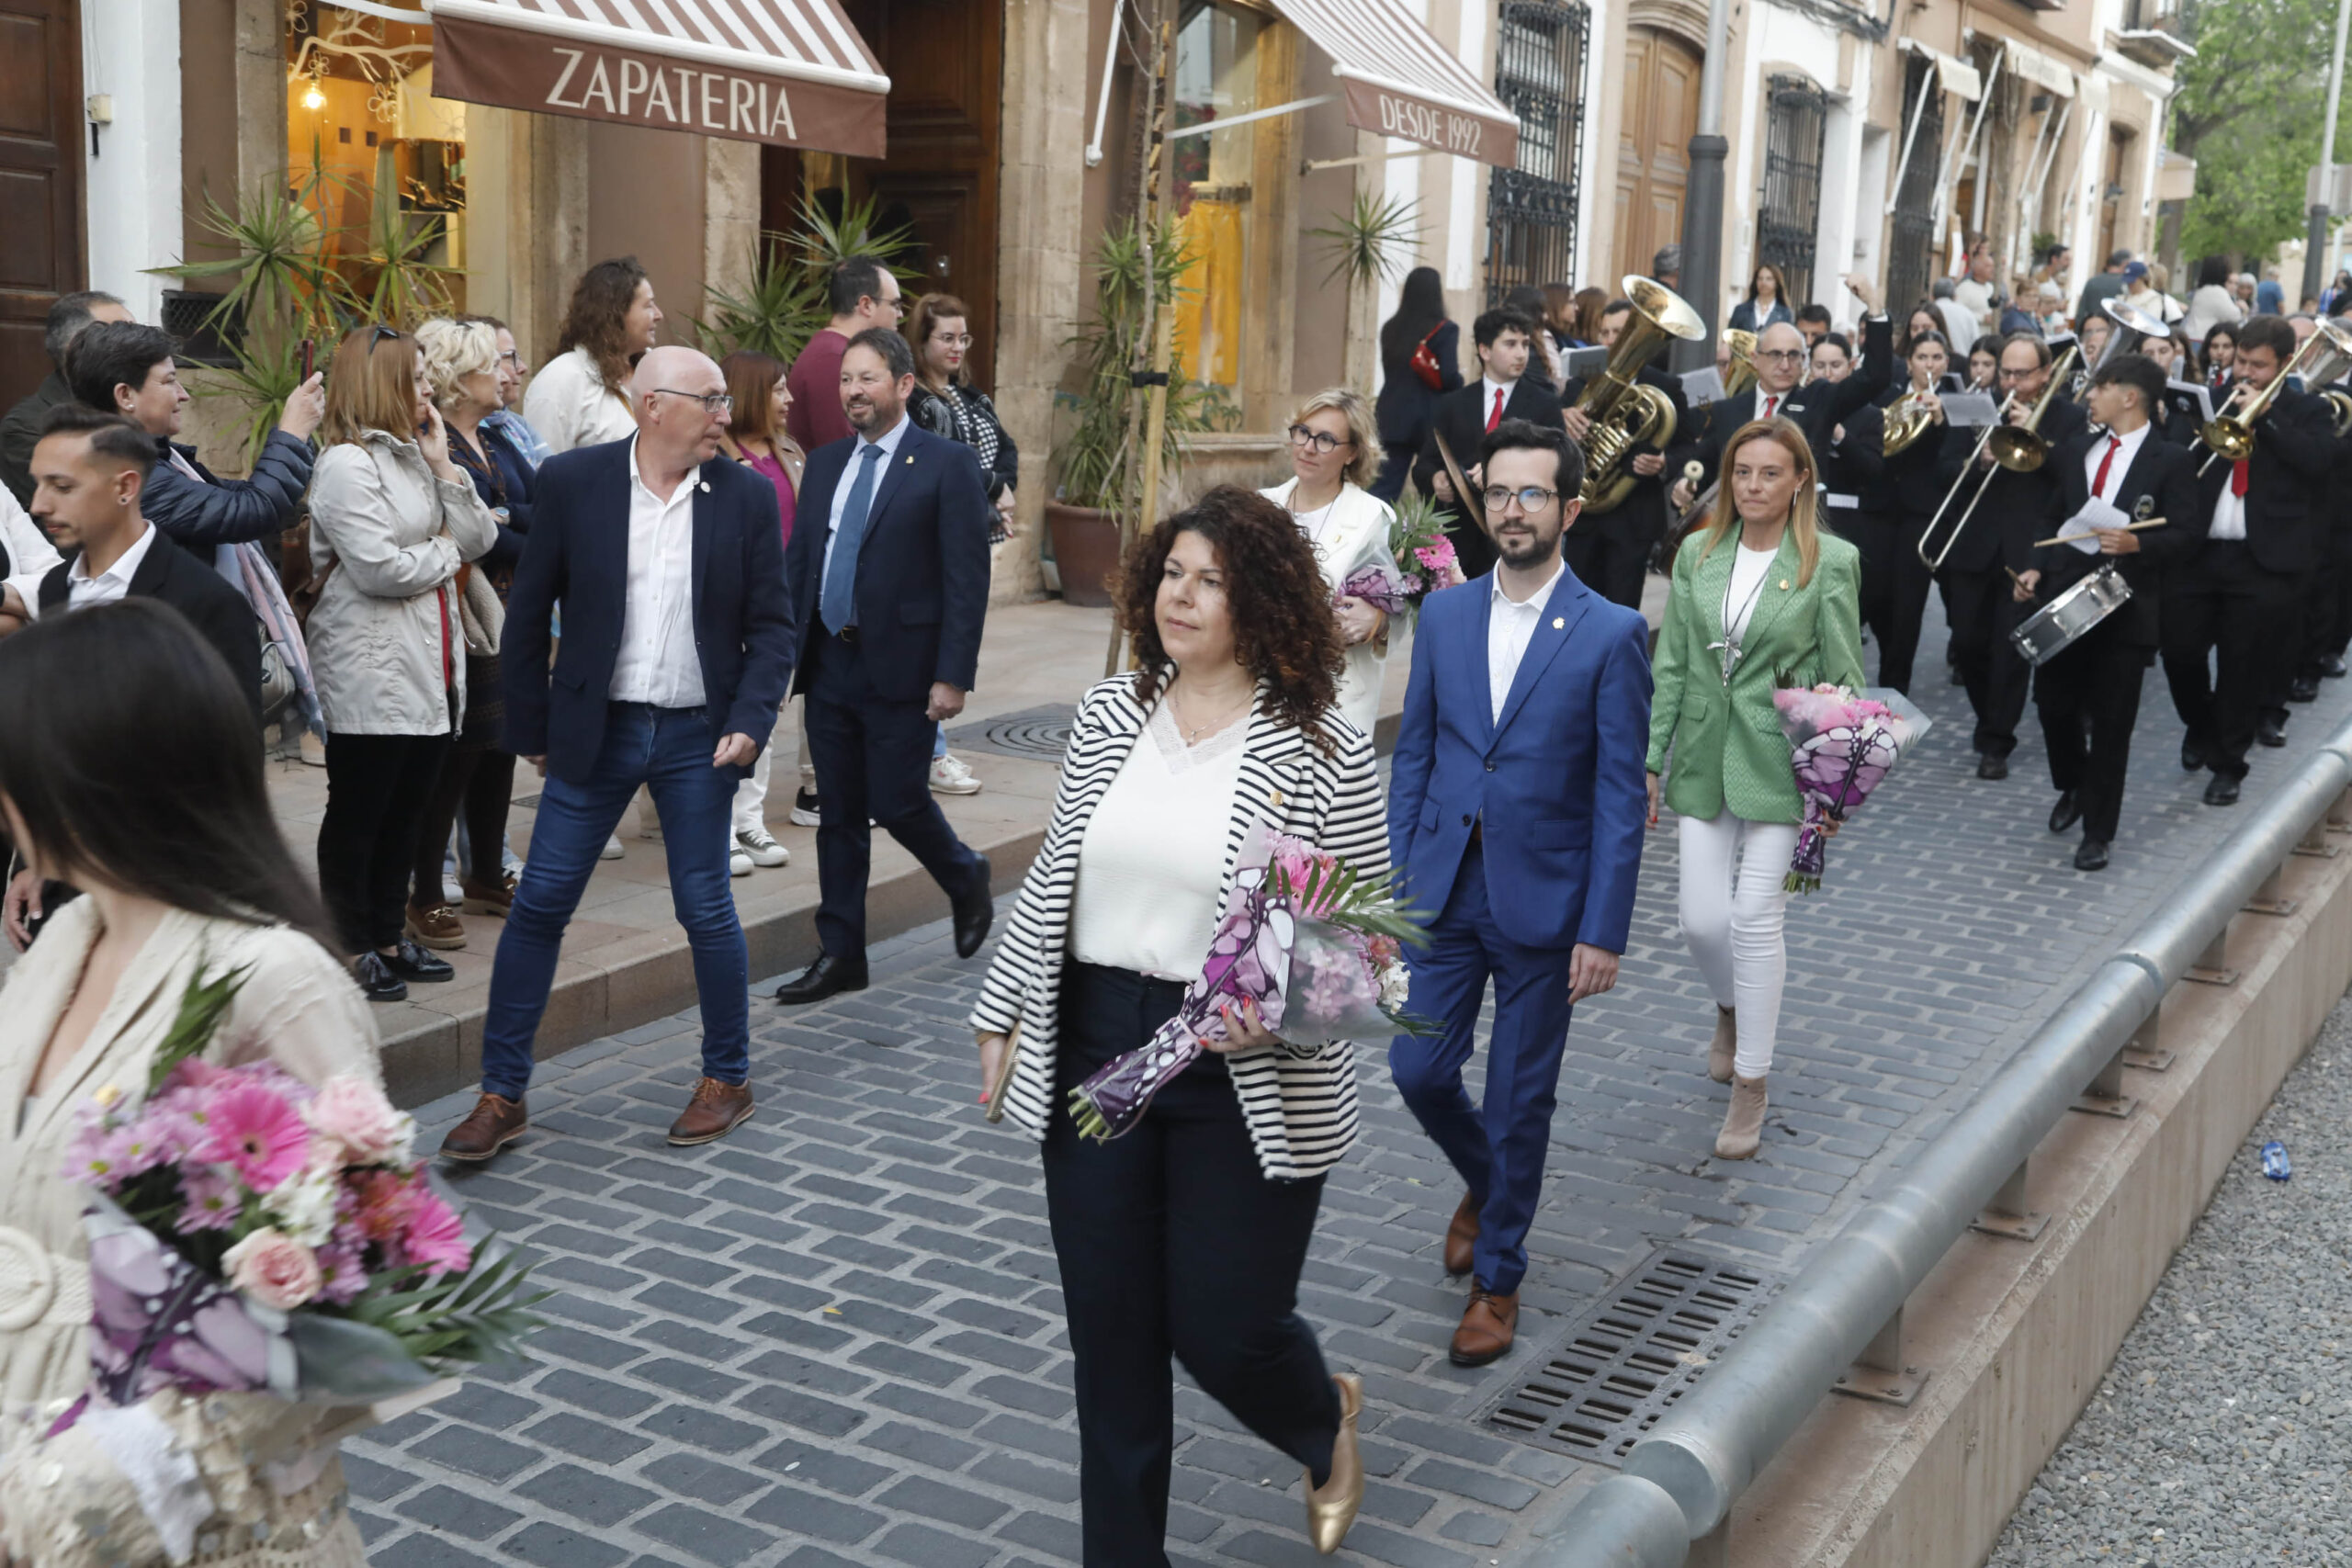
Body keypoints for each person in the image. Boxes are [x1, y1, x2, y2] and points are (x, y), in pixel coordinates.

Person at [968, 488, 1379, 1564]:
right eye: (1171, 574)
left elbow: (1366, 953)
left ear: (1265, 602)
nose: (1181, 599)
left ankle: (1315, 1417)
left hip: (1237, 1068)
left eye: (1211, 581)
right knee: (1111, 1339)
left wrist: (1274, 1009)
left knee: (1225, 1325)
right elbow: (1059, 874)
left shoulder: (1320, 745)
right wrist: (1005, 1008)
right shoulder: (1113, 712)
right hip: (1102, 1043)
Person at [0, 599, 384, 1566]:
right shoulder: (63, 941)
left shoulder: (274, 981)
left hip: (174, 1520)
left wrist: (70, 1493)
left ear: (81, 773)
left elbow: (347, 1299)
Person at [439, 345, 794, 1160]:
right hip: (595, 733)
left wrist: (752, 718)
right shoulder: (575, 483)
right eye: (709, 401)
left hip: (699, 738)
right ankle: (502, 1094)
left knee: (705, 906)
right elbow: (529, 615)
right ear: (653, 405)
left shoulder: (741, 495)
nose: (724, 417)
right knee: (539, 906)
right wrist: (530, 732)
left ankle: (727, 1078)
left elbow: (774, 626)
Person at [1387, 417, 1646, 1362]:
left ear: (1569, 508)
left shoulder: (1613, 633)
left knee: (1517, 1097)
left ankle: (1498, 1281)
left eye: (1531, 493)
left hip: (1545, 903)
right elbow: (1414, 752)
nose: (1511, 509)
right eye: (1498, 492)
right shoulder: (1447, 613)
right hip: (1445, 890)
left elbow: (1619, 794)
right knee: (1415, 1069)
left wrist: (1603, 929)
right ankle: (1488, 1184)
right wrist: (1399, 876)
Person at [1647, 416, 1862, 1158]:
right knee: (1699, 922)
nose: (1753, 486)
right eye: (1742, 473)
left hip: (1781, 762)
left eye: (1770, 473)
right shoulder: (1698, 554)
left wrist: (1835, 784)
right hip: (1704, 754)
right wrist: (1652, 757)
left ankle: (1752, 1083)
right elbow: (1673, 660)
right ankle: (1733, 1006)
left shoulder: (1828, 560)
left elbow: (1848, 679)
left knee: (1752, 918)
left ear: (1800, 479)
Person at [772, 328, 995, 1007]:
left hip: (903, 665)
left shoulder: (946, 464)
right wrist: (777, 649)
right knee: (838, 811)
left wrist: (952, 673)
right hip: (832, 660)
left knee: (897, 800)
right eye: (846, 379)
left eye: (867, 378)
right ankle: (842, 952)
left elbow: (967, 576)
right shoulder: (828, 463)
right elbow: (803, 562)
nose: (853, 391)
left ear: (902, 385)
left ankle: (965, 876)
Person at [304, 327, 500, 1003]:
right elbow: (381, 568)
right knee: (362, 811)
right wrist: (446, 554)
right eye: (416, 378)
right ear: (382, 382)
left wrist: (446, 468)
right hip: (370, 668)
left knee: (408, 812)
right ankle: (347, 943)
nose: (428, 391)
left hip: (428, 663)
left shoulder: (415, 453)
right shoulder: (347, 464)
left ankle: (388, 934)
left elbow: (484, 535)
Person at [69, 321, 325, 735]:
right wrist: (291, 432)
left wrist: (295, 439)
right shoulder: (131, 473)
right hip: (175, 678)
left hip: (198, 662)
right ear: (125, 396)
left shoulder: (164, 462)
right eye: (170, 381)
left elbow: (249, 500)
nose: (183, 394)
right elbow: (250, 511)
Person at [2009, 354, 2197, 871]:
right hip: (2067, 598)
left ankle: (2098, 831)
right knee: (2053, 706)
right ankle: (2073, 781)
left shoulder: (2172, 459)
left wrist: (2139, 546)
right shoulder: (2078, 449)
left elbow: (2187, 534)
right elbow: (2054, 516)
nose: (2089, 397)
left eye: (2099, 388)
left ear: (2129, 396)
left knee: (2113, 724)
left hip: (2128, 610)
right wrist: (2034, 569)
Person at [2161, 314, 2337, 804]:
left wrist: (2266, 420)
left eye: (2258, 366)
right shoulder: (2211, 402)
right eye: (2242, 361)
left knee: (2242, 667)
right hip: (2199, 554)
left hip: (2263, 560)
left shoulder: (2308, 411)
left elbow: (2318, 464)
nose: (2247, 374)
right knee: (2179, 653)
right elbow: (2176, 464)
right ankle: (2202, 724)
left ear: (2285, 363)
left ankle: (2228, 765)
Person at [401, 318, 533, 952]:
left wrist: (514, 522)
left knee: (498, 747)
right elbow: (490, 533)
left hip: (507, 612)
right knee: (455, 758)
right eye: (492, 367)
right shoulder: (440, 445)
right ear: (459, 381)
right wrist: (514, 527)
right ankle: (425, 890)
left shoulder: (494, 440)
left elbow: (537, 507)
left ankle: (484, 870)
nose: (505, 375)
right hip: (467, 614)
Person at [0, 408, 261, 710]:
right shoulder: (56, 589)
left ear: (125, 487)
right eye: (38, 484)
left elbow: (235, 748)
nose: (38, 505)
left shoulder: (208, 602)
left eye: (62, 487)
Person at [1933, 333, 2087, 779]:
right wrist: (1977, 462)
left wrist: (2037, 437)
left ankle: (1996, 740)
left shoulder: (2067, 418)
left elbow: (2074, 484)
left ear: (2045, 374)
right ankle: (1989, 718)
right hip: (1972, 547)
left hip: (2027, 551)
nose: (2012, 383)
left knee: (2009, 650)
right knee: (1967, 643)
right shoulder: (1973, 406)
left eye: (2023, 374)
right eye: (2006, 373)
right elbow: (1943, 471)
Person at [904, 289, 1016, 799]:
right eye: (945, 338)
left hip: (975, 528)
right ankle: (931, 753)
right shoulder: (919, 401)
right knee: (933, 643)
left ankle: (929, 748)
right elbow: (953, 464)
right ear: (921, 341)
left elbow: (1004, 448)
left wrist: (1001, 489)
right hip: (932, 537)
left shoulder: (971, 397)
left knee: (952, 638)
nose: (956, 347)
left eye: (962, 337)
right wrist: (995, 489)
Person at [1669, 278, 1893, 516]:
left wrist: (1874, 308)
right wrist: (1685, 483)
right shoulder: (1728, 410)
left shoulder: (1819, 400)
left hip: (1797, 531)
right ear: (1755, 358)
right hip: (1737, 530)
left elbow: (1875, 378)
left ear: (1803, 360)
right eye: (1776, 354)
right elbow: (1704, 463)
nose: (1785, 364)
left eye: (1793, 355)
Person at [717, 348, 812, 873]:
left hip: (782, 605)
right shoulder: (715, 454)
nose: (789, 398)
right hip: (730, 606)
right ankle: (721, 825)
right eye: (778, 389)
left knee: (767, 711)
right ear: (752, 393)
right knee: (725, 711)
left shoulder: (791, 452)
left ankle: (749, 820)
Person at [1259, 389, 1395, 738]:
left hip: (1335, 697)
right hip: (1259, 688)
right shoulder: (1259, 508)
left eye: (1325, 440)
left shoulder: (1372, 518)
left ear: (1352, 453)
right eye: (1303, 432)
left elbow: (1404, 605)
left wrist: (1379, 621)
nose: (1307, 447)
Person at [1410, 308, 1563, 581]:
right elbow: (1424, 464)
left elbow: (1558, 465)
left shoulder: (1545, 404)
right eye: (1510, 344)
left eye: (1526, 345)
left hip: (1517, 536)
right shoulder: (1453, 404)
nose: (1521, 353)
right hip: (1461, 541)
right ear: (1485, 350)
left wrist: (1500, 472)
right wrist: (1436, 480)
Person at [1561, 296, 1688, 611]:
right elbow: (1553, 447)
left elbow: (1689, 446)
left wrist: (1664, 463)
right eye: (1605, 333)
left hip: (1634, 518)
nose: (1611, 340)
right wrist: (1562, 420)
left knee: (1621, 612)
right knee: (1574, 609)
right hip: (1585, 517)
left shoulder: (1666, 386)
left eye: (1619, 332)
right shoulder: (1581, 383)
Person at [1845, 331, 1950, 693]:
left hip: (1920, 516)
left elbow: (1950, 464)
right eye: (1923, 357)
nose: (1930, 364)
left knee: (1908, 607)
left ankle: (1895, 685)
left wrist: (1939, 422)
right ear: (1910, 363)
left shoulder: (1950, 406)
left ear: (1946, 363)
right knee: (1872, 596)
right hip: (1878, 509)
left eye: (1937, 357)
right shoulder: (1888, 397)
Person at [0, 289, 131, 506]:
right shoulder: (27, 428)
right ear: (77, 347)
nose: (137, 344)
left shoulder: (131, 406)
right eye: (121, 335)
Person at [524, 257, 662, 455]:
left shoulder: (658, 371)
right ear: (616, 312)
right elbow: (544, 471)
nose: (658, 315)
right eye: (648, 305)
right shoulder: (559, 381)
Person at [786, 255, 904, 454]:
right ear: (866, 305)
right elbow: (843, 449)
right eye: (895, 304)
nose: (900, 314)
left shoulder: (835, 352)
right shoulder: (832, 358)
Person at [1373, 266, 1462, 503]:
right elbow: (1450, 377)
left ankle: (1369, 537)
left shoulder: (1390, 327)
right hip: (1430, 418)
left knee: (1384, 489)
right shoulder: (1445, 330)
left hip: (1392, 415)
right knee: (1433, 489)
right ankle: (1429, 540)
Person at [472, 315, 553, 469]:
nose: (523, 368)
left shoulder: (516, 424)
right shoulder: (461, 431)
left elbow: (552, 476)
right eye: (510, 357)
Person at [2185, 257, 2245, 343]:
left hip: (2192, 336)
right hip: (2203, 339)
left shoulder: (2201, 290)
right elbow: (2234, 317)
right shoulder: (2217, 292)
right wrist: (2242, 309)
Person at [1728, 264, 1793, 334]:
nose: (1763, 282)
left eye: (1769, 279)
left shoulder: (1785, 313)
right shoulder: (1741, 310)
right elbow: (1729, 338)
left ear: (1777, 283)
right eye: (1760, 278)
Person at [2077, 249, 2133, 330]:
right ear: (2125, 264)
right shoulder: (2126, 284)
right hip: (2113, 333)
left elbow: (2081, 313)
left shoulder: (2092, 282)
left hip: (2090, 331)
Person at [1931, 276, 1978, 346]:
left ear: (1932, 297)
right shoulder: (1967, 313)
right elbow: (1975, 340)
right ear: (1955, 296)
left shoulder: (1927, 311)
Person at [2205, 321, 2240, 389]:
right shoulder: (2199, 374)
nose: (2220, 352)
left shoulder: (2239, 379)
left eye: (2226, 347)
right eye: (2215, 346)